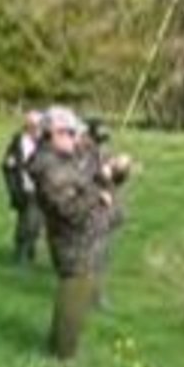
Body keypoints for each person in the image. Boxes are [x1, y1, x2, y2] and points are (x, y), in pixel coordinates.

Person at [28, 107, 114, 360]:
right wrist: (98, 194)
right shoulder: (49, 167)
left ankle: (59, 348)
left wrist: (107, 176)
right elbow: (70, 209)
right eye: (70, 132)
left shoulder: (59, 159)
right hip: (71, 242)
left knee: (77, 293)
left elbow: (81, 181)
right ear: (53, 134)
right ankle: (63, 357)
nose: (75, 138)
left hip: (80, 240)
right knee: (74, 296)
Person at [79, 118, 132, 309]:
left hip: (109, 214)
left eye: (103, 140)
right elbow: (77, 183)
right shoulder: (81, 156)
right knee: (91, 256)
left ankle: (96, 294)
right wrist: (99, 183)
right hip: (91, 213)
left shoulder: (106, 154)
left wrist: (122, 168)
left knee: (102, 257)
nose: (101, 145)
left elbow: (117, 181)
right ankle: (87, 296)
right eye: (97, 140)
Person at [1, 110, 44, 265]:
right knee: (28, 220)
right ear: (28, 126)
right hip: (24, 188)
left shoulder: (44, 143)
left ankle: (29, 250)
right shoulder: (17, 143)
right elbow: (7, 165)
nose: (39, 130)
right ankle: (21, 253)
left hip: (42, 188)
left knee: (36, 222)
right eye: (36, 126)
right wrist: (14, 189)